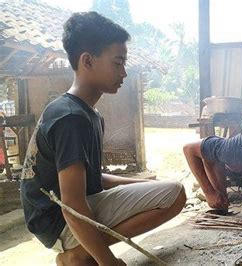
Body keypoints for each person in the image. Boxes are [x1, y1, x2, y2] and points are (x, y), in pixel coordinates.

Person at [20, 12, 185, 266]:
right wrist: (107, 261)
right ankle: (78, 254)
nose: (125, 73)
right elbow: (71, 204)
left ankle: (82, 250)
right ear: (87, 61)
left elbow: (93, 177)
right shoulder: (71, 118)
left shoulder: (86, 113)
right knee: (175, 194)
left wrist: (139, 184)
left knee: (166, 188)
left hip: (50, 219)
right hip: (58, 221)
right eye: (118, 62)